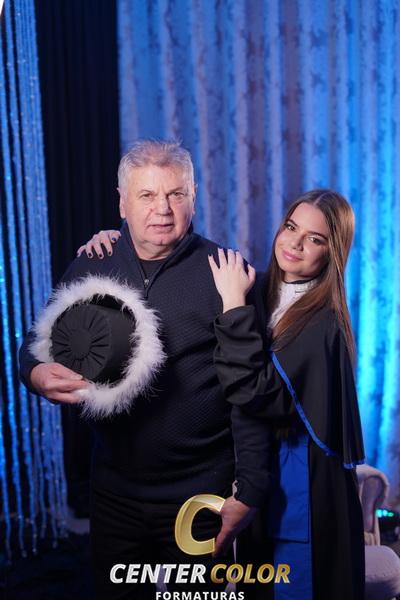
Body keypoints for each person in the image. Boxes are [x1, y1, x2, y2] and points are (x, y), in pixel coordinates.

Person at [19, 140, 267, 599]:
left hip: (199, 494)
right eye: (147, 195)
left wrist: (249, 489)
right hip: (115, 494)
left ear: (194, 197)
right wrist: (35, 373)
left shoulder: (228, 274)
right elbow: (37, 345)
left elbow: (250, 392)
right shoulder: (94, 260)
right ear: (122, 203)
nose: (163, 209)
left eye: (175, 194)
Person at [207, 190, 365, 599]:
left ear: (332, 254)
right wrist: (118, 240)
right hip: (263, 472)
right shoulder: (260, 288)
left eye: (315, 238)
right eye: (291, 227)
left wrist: (232, 304)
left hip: (305, 489)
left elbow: (256, 394)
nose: (295, 243)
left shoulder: (323, 322)